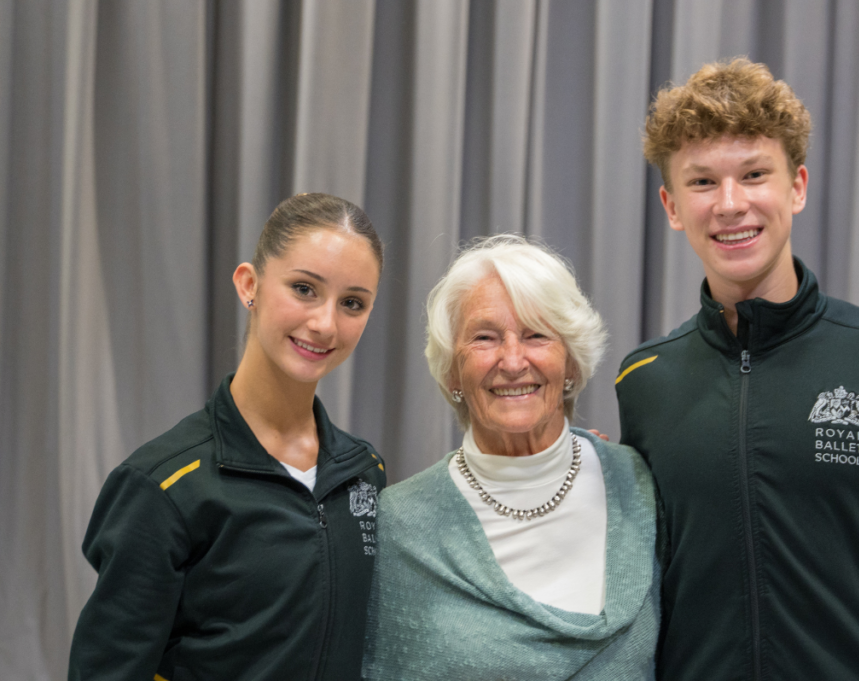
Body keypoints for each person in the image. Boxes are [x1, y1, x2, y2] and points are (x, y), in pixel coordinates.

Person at [615, 58, 859, 679]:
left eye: (754, 174)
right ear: (670, 205)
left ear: (796, 186)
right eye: (703, 182)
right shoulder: (643, 382)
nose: (731, 204)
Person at [68, 193, 386, 681]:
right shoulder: (162, 485)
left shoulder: (364, 473)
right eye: (304, 288)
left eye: (352, 303)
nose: (325, 323)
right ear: (249, 285)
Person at [362, 235, 660, 680]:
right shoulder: (398, 526)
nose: (513, 360)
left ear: (572, 363)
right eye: (485, 338)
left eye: (536, 334)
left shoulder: (641, 485)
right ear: (452, 371)